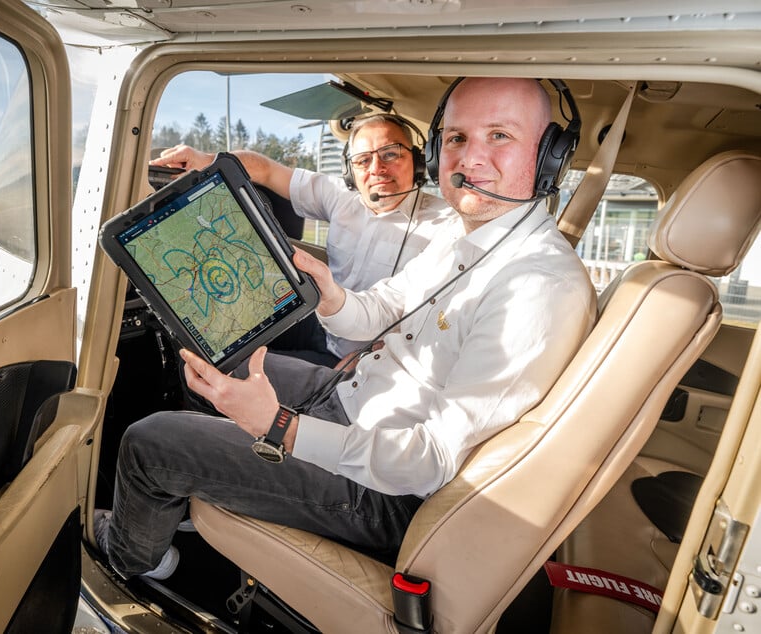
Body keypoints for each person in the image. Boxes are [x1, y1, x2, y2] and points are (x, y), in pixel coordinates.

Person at [95, 77, 597, 581]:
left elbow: (430, 460)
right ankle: (185, 495)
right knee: (213, 366)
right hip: (355, 399)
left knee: (148, 443)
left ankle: (133, 557)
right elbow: (387, 303)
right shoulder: (466, 234)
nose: (469, 158)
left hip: (385, 490)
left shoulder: (538, 286)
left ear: (550, 154)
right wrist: (331, 294)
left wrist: (279, 426)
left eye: (500, 136)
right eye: (458, 138)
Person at [149, 113, 456, 367]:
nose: (377, 169)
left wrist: (375, 359)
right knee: (216, 346)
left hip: (366, 357)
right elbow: (267, 171)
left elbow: (439, 320)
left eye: (390, 154)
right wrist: (205, 160)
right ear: (351, 170)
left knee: (227, 372)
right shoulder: (340, 196)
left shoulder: (446, 226)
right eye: (363, 160)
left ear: (418, 162)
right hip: (320, 322)